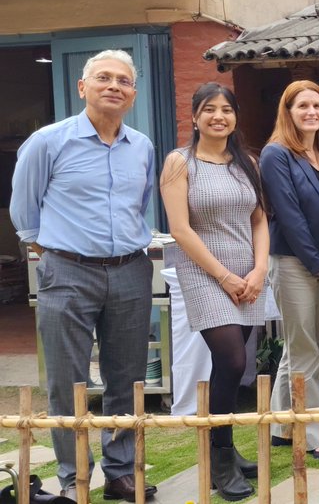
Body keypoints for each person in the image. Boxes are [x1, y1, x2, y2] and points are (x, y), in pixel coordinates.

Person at [10, 49, 158, 502]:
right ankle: (74, 478)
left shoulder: (142, 146)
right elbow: (25, 213)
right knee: (67, 381)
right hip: (68, 272)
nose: (114, 86)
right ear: (82, 87)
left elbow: (140, 205)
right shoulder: (48, 142)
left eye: (123, 81)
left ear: (133, 94)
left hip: (131, 271)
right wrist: (56, 252)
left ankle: (120, 472)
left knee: (127, 378)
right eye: (103, 78)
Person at [159, 83, 266, 500]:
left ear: (235, 117)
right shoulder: (179, 162)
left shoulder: (248, 163)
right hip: (205, 273)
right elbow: (180, 229)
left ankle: (223, 446)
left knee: (232, 367)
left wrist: (259, 269)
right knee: (232, 358)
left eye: (226, 110)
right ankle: (219, 460)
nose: (218, 117)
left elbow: (259, 220)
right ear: (195, 116)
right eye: (209, 109)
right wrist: (224, 276)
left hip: (247, 273)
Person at [261, 80, 319, 461]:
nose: (311, 112)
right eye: (302, 106)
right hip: (293, 261)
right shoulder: (275, 155)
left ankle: (281, 425)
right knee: (305, 349)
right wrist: (317, 264)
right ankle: (317, 432)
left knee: (300, 344)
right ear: (288, 112)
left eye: (317, 106)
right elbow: (288, 215)